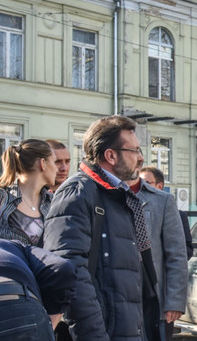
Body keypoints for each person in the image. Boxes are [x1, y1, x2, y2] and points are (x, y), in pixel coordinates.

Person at [43, 115, 160, 341]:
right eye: (134, 151)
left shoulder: (118, 195)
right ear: (111, 155)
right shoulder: (78, 193)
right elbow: (70, 273)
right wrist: (94, 335)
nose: (141, 158)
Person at [0, 139, 56, 246]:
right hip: (2, 262)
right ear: (43, 163)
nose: (57, 169)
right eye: (54, 161)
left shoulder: (52, 201)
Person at [131, 166, 188, 341]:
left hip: (154, 297)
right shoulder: (108, 197)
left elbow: (177, 254)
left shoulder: (163, 202)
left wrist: (175, 300)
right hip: (122, 296)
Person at [140, 166, 194, 260]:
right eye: (139, 183)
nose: (141, 187)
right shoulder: (133, 213)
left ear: (159, 186)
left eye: (146, 183)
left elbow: (186, 250)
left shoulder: (179, 216)